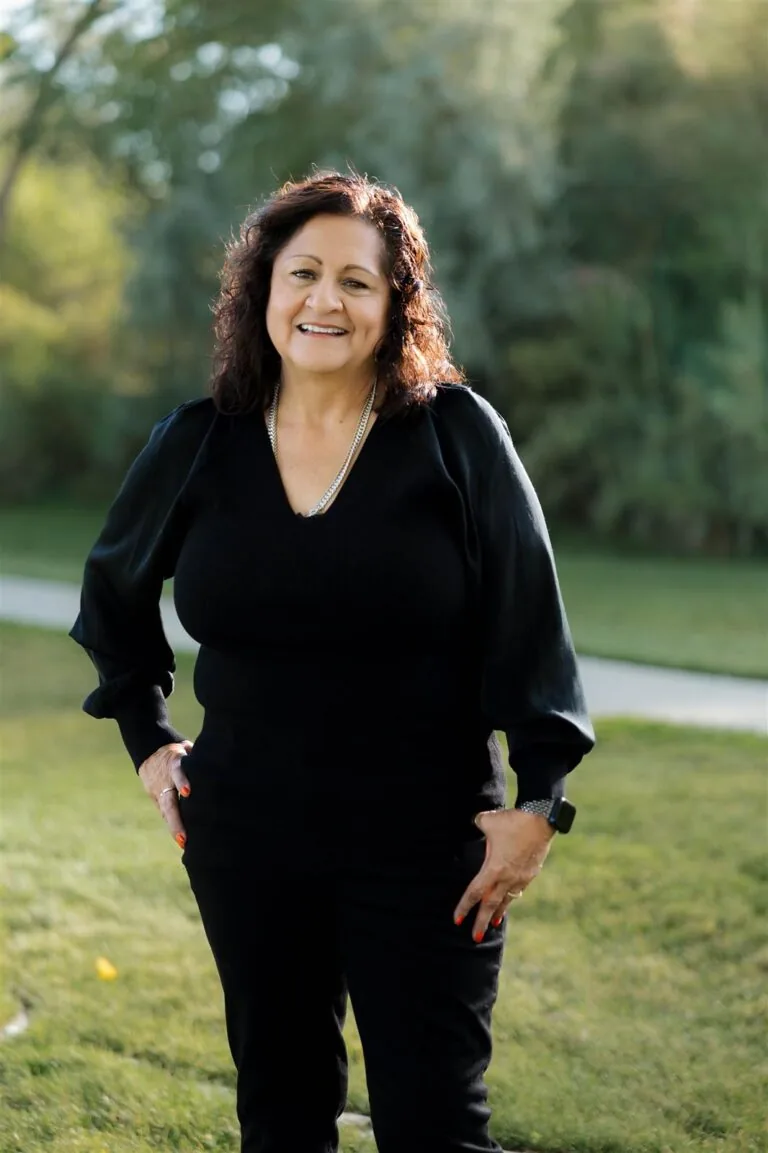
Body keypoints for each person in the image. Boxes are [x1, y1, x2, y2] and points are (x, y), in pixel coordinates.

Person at [70, 170, 595, 1153]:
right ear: (263, 291)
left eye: (357, 281)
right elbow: (111, 598)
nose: (326, 300)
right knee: (281, 1111)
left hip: (430, 839)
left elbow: (532, 620)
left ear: (397, 303)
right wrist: (149, 741)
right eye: (303, 273)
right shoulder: (198, 441)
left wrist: (539, 803)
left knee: (436, 1124)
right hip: (246, 834)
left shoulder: (456, 436)